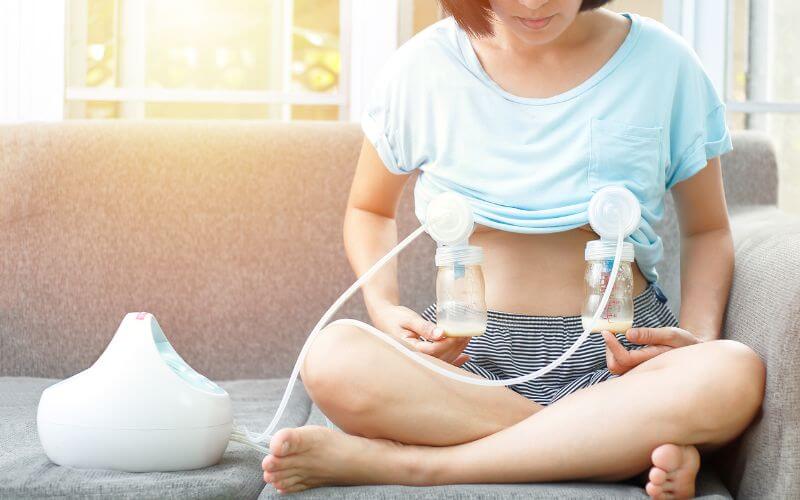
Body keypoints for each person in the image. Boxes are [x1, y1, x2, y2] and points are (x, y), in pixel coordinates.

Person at [261, 1, 765, 498]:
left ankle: (416, 465)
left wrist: (696, 338)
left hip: (618, 356)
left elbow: (707, 231)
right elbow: (369, 209)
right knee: (332, 356)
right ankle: (613, 448)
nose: (533, 2)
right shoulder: (423, 67)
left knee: (733, 372)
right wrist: (383, 305)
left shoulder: (665, 63)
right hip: (468, 361)